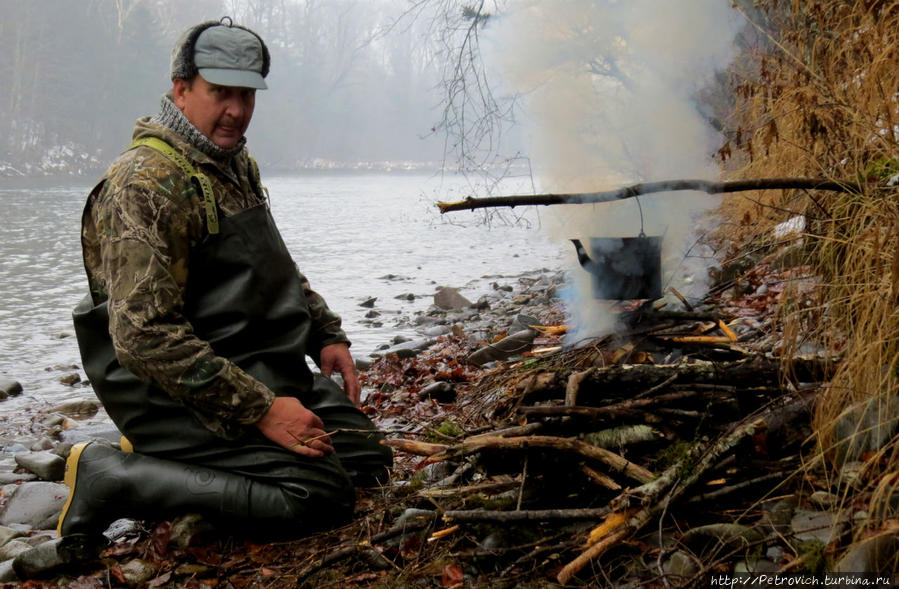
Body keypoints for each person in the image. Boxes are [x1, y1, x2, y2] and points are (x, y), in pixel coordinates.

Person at [58, 18, 392, 541]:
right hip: (171, 394)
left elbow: (274, 266)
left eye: (246, 94)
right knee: (321, 497)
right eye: (220, 93)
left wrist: (324, 332)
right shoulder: (144, 183)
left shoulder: (233, 164)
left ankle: (177, 461)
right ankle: (116, 476)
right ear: (182, 89)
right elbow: (142, 337)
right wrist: (262, 409)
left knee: (368, 460)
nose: (236, 110)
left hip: (252, 363)